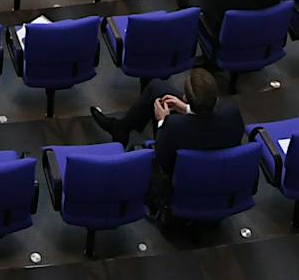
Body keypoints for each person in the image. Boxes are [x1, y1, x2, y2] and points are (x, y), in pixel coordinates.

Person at [90, 65, 245, 203]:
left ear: (185, 97)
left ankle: (121, 129)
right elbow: (207, 123)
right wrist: (185, 109)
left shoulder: (173, 127)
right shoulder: (232, 113)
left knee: (159, 103)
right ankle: (121, 128)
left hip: (183, 178)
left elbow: (162, 159)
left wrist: (161, 121)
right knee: (156, 88)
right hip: (219, 173)